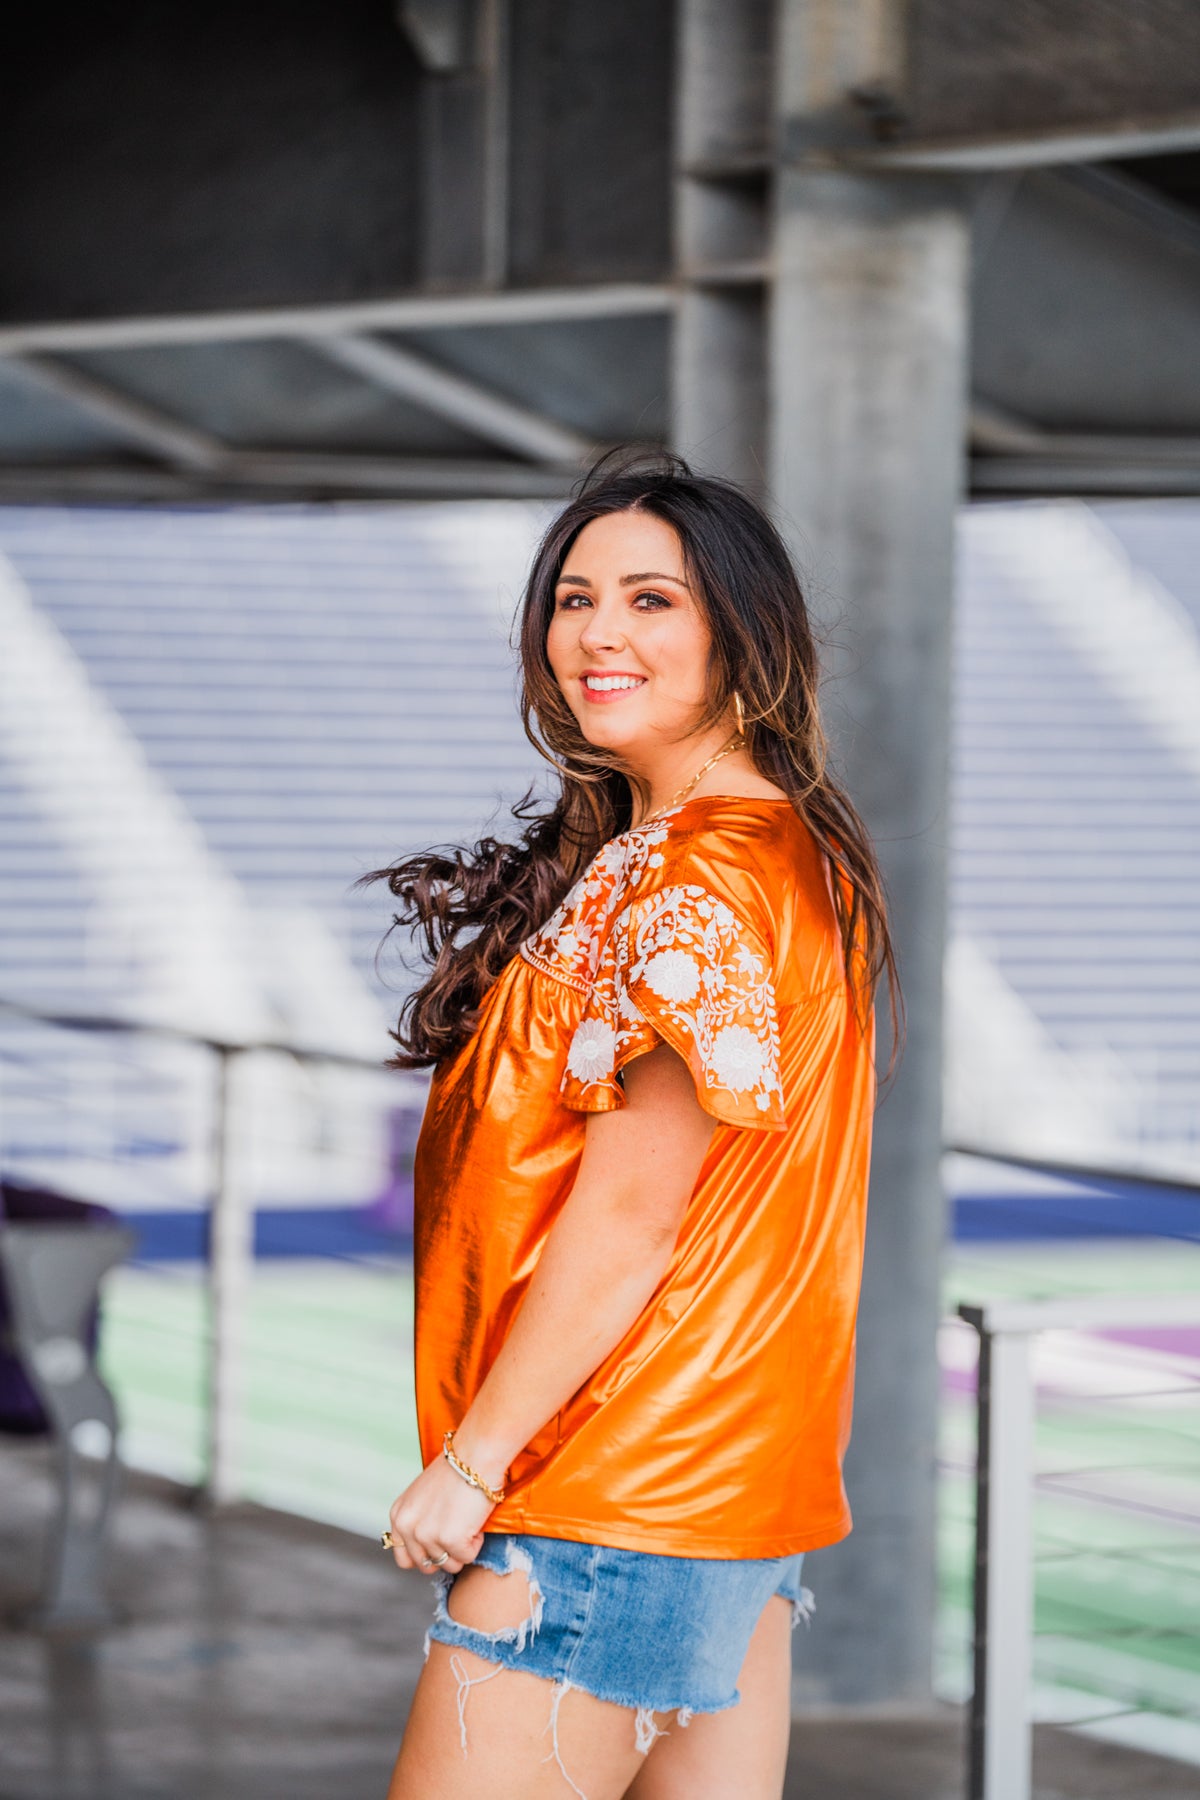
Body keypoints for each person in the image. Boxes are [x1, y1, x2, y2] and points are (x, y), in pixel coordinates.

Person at [368, 450, 897, 1800]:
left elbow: (632, 1211)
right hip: (719, 1487)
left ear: (740, 632)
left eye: (652, 599)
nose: (598, 633)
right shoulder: (770, 846)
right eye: (575, 598)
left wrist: (471, 1464)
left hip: (605, 1487)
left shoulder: (702, 880)